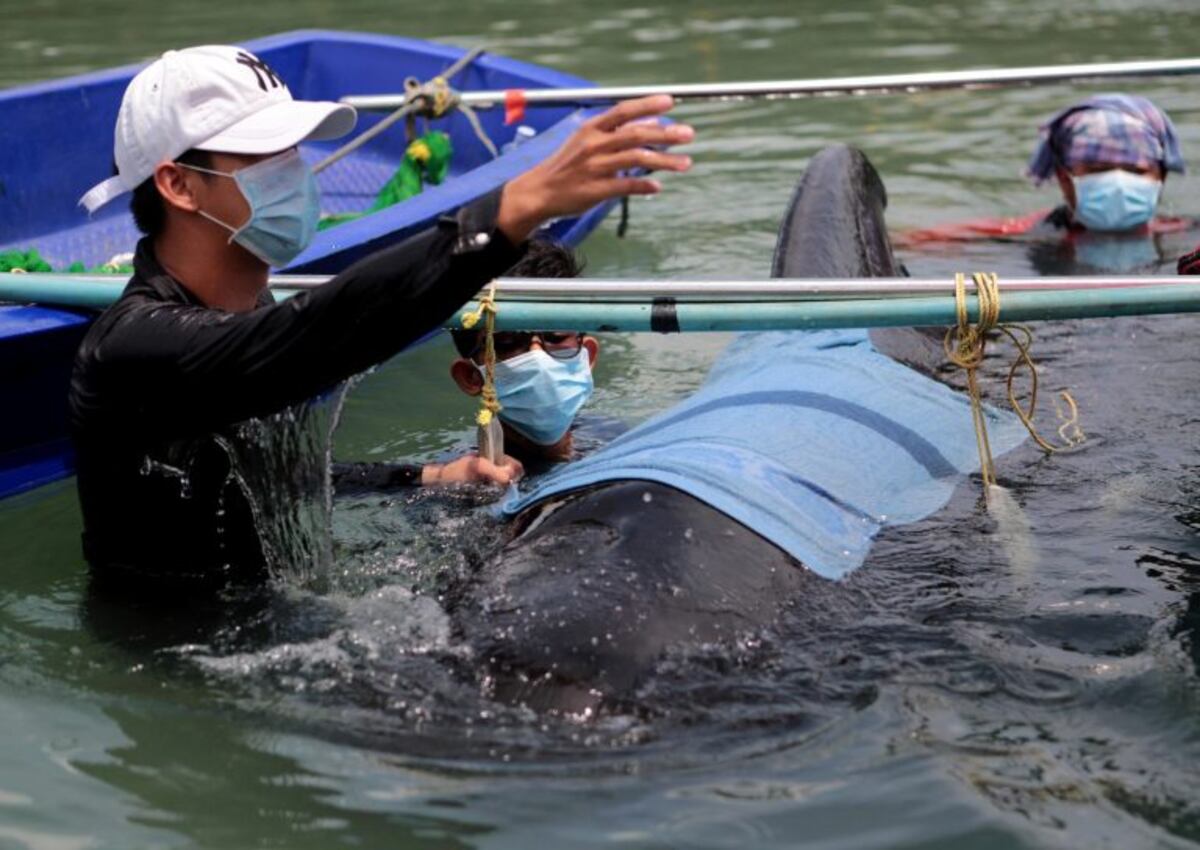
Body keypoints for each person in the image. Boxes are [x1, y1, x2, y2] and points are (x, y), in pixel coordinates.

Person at [69, 44, 693, 588]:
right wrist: (509, 211)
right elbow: (318, 331)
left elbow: (279, 477)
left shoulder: (247, 309)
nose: (297, 175)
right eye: (266, 158)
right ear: (179, 185)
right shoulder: (133, 350)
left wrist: (427, 474)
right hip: (180, 669)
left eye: (294, 153)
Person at [896, 93, 1190, 254]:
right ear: (1064, 178)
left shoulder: (1185, 237)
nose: (1117, 180)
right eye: (1097, 170)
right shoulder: (1028, 233)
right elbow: (924, 241)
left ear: (1160, 177)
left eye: (1135, 170)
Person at [447, 240, 603, 470]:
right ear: (470, 377)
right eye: (508, 343)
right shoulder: (462, 477)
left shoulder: (616, 437)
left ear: (587, 357)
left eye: (556, 337)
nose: (539, 358)